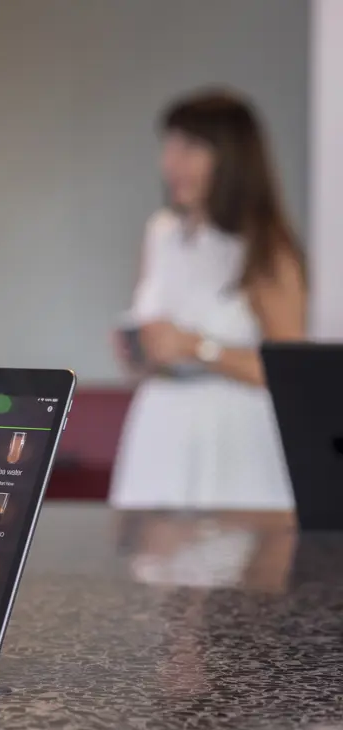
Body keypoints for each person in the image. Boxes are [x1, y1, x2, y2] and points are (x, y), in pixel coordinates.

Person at [110, 89, 308, 509]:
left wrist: (196, 348)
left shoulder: (264, 248)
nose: (172, 165)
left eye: (190, 148)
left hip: (230, 440)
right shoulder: (161, 232)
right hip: (158, 427)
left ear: (231, 157)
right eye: (170, 147)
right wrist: (138, 351)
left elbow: (292, 373)